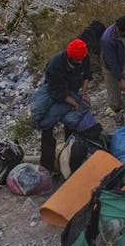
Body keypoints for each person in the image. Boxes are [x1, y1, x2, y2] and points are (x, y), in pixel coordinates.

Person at [31, 38, 94, 173]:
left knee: (71, 125)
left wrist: (84, 93)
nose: (80, 62)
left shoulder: (83, 57)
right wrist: (75, 103)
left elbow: (86, 75)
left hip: (72, 90)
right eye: (77, 60)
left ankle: (69, 162)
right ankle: (47, 168)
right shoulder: (55, 64)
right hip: (53, 92)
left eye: (82, 58)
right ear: (70, 56)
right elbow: (57, 91)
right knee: (46, 125)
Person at [100, 16, 125, 115]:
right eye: (122, 32)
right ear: (117, 27)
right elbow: (111, 62)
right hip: (110, 65)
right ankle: (116, 108)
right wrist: (120, 79)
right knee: (113, 89)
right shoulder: (107, 39)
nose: (124, 35)